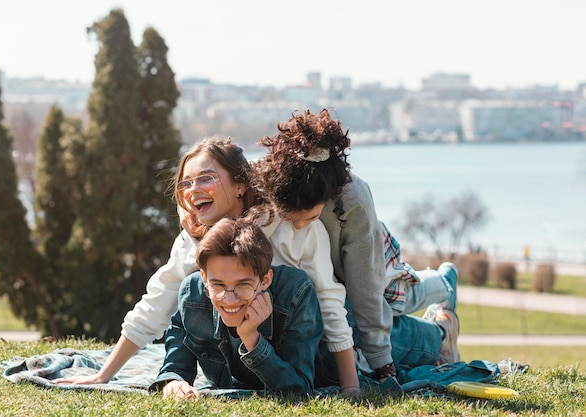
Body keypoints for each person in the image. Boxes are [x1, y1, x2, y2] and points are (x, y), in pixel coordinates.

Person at [57, 136, 360, 394]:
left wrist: (351, 387)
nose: (192, 189)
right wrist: (104, 374)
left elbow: (329, 301)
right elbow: (157, 302)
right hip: (249, 358)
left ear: (241, 185)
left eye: (205, 178)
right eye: (186, 182)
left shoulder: (289, 226)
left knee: (406, 338)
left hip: (321, 346)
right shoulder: (194, 239)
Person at [251, 109, 460, 378]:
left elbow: (367, 292)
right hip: (328, 268)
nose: (300, 227)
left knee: (396, 300)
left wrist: (380, 360)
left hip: (369, 257)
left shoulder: (353, 201)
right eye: (291, 218)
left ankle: (444, 286)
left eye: (310, 217)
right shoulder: (269, 176)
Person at [150, 217, 328, 398]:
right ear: (204, 278)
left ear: (265, 280)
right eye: (218, 285)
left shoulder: (295, 293)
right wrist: (174, 384)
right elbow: (175, 367)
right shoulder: (191, 294)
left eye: (243, 285)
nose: (229, 299)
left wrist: (252, 338)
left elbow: (299, 390)